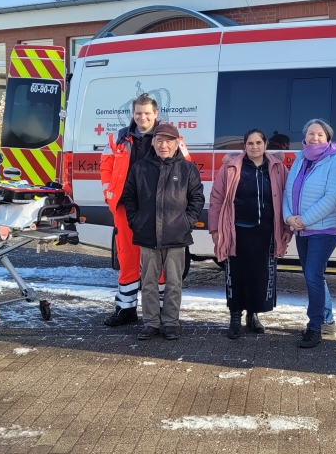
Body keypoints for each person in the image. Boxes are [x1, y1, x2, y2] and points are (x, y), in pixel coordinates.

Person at [121, 122, 205, 341]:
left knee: (174, 283)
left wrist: (186, 222)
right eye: (159, 141)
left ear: (177, 144)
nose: (164, 145)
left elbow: (197, 198)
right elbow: (129, 196)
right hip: (147, 235)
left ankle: (170, 323)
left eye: (169, 141)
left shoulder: (187, 169)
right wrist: (136, 221)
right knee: (148, 283)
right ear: (153, 142)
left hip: (176, 236)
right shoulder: (139, 168)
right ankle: (150, 323)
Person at [208, 129, 292, 339]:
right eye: (250, 143)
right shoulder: (230, 167)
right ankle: (235, 316)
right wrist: (215, 229)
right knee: (236, 275)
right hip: (236, 231)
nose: (254, 147)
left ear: (265, 145)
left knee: (259, 276)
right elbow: (216, 199)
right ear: (244, 146)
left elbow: (287, 199)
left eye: (258, 143)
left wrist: (286, 229)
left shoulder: (278, 168)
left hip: (266, 232)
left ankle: (252, 315)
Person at [283, 119, 336, 349]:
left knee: (312, 274)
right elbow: (288, 190)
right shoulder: (300, 158)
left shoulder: (334, 160)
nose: (315, 138)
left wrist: (303, 220)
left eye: (320, 134)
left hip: (325, 228)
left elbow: (332, 198)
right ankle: (327, 319)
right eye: (311, 133)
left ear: (328, 138)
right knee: (313, 275)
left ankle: (315, 327)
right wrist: (288, 217)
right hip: (302, 228)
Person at [98, 93, 159, 328]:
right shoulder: (118, 138)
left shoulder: (168, 137)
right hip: (126, 205)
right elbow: (105, 167)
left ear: (155, 114)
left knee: (158, 259)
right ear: (133, 114)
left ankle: (160, 310)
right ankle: (126, 309)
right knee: (127, 257)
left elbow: (184, 167)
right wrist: (109, 194)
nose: (143, 117)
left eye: (147, 113)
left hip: (156, 207)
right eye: (138, 113)